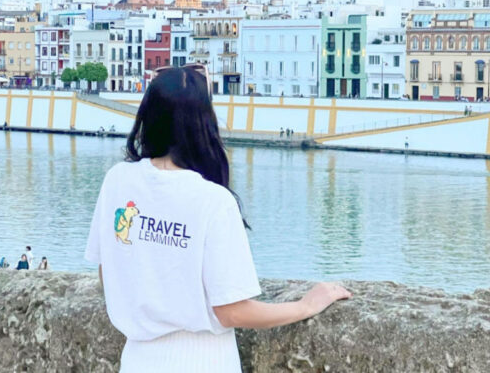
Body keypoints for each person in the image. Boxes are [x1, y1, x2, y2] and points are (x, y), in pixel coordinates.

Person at [85, 65, 350, 372]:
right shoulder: (213, 201)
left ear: (148, 114)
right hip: (202, 360)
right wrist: (305, 305)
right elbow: (231, 311)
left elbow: (108, 272)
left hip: (137, 359)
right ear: (204, 122)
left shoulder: (117, 180)